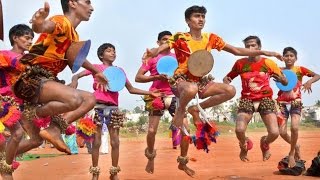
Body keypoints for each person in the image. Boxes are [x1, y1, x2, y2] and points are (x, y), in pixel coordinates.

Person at [144, 5, 283, 176]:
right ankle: (180, 113)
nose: (200, 19)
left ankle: (194, 110)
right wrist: (152, 52)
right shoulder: (179, 37)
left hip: (201, 82)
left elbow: (236, 50)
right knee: (189, 92)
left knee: (230, 90)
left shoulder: (210, 38)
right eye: (196, 16)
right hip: (181, 82)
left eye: (203, 16)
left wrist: (265, 52)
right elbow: (162, 47)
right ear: (188, 20)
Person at [12, 1, 107, 155]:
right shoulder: (61, 21)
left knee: (90, 99)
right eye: (87, 2)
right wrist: (38, 23)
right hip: (30, 79)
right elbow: (44, 27)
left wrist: (97, 72)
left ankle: (53, 130)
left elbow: (77, 58)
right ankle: (33, 112)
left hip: (47, 81)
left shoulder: (74, 35)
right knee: (74, 99)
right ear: (73, 3)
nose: (91, 7)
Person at [70, 43, 160, 180]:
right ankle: (95, 173)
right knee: (96, 142)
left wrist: (149, 93)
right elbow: (76, 76)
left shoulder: (120, 71)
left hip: (113, 108)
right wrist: (74, 82)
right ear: (101, 55)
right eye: (109, 51)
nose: (113, 53)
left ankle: (114, 173)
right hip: (97, 107)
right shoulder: (96, 68)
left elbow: (130, 89)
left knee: (115, 142)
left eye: (114, 51)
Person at [223, 35, 288, 162]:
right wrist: (226, 82)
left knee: (274, 133)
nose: (250, 48)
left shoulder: (268, 63)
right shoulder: (240, 63)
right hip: (247, 99)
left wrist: (283, 79)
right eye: (247, 46)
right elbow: (228, 77)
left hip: (265, 99)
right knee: (239, 130)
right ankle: (244, 145)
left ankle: (265, 143)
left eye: (253, 45)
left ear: (259, 47)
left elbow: (285, 82)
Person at [135, 30, 182, 174]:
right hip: (156, 95)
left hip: (174, 95)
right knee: (151, 131)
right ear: (158, 43)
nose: (166, 43)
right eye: (163, 40)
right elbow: (138, 77)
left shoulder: (178, 58)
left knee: (185, 128)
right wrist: (155, 77)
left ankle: (183, 159)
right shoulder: (152, 58)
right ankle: (150, 157)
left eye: (169, 40)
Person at [0, 24, 35, 179]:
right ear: (15, 38)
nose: (30, 41)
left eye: (32, 39)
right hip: (4, 102)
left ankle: (6, 159)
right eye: (27, 38)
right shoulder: (4, 55)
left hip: (22, 106)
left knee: (37, 139)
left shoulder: (31, 61)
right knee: (18, 133)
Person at [276, 47, 320, 167]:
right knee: (282, 132)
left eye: (291, 56)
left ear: (296, 58)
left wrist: (309, 82)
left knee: (294, 128)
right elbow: (265, 73)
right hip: (281, 104)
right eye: (286, 55)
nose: (289, 58)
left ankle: (291, 153)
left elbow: (317, 75)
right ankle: (296, 145)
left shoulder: (300, 69)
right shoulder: (279, 70)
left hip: (296, 103)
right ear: (283, 57)